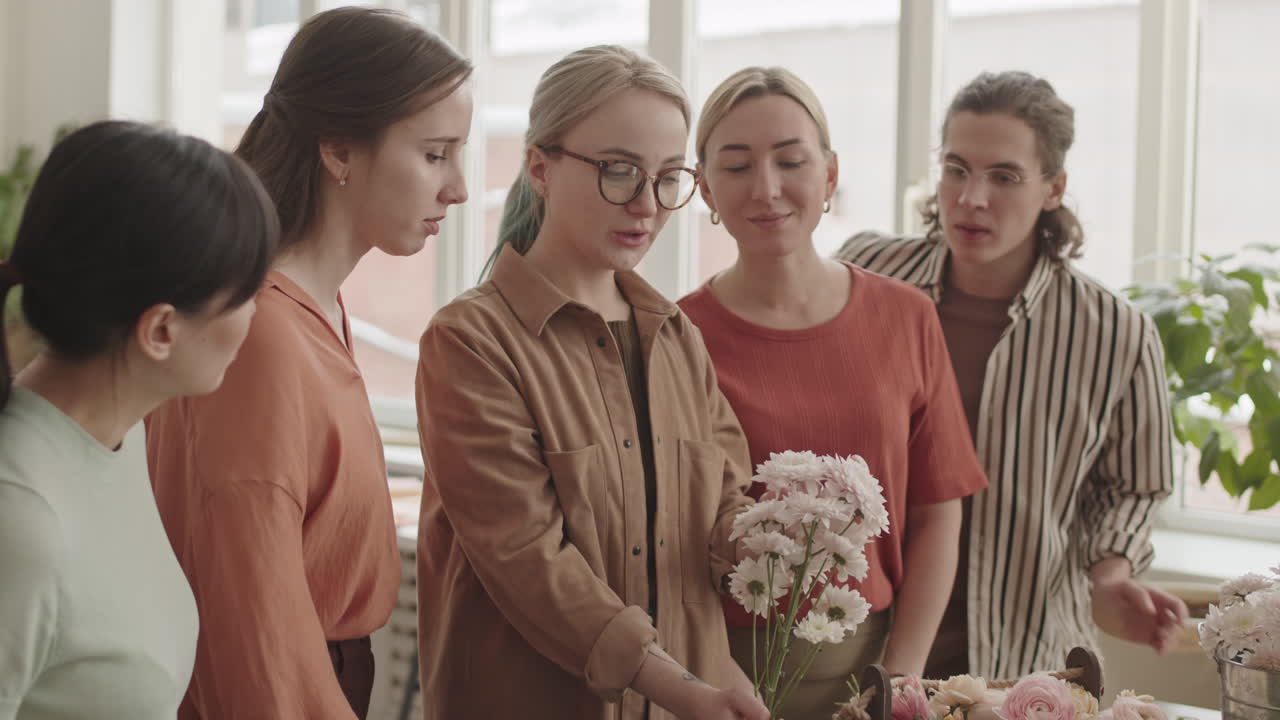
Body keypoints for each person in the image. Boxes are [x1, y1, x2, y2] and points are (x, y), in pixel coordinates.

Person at [414, 45, 769, 720]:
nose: (647, 205)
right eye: (618, 171)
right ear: (539, 167)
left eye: (669, 178)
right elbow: (529, 562)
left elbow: (724, 510)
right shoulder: (472, 342)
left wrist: (790, 540)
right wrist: (680, 687)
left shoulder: (676, 337)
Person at [144, 7, 472, 718]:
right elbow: (254, 628)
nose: (459, 188)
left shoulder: (313, 311)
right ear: (339, 151)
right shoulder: (261, 335)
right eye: (436, 153)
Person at [836, 70, 1188, 680]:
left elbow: (1134, 486)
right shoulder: (864, 275)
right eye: (956, 169)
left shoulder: (1117, 333)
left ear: (1054, 189)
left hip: (1026, 668)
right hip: (862, 652)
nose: (973, 198)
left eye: (1004, 177)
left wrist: (1112, 572)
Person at [678, 67, 988, 719]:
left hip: (872, 663)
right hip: (714, 671)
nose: (767, 189)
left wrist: (899, 683)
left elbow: (939, 511)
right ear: (704, 187)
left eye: (790, 160)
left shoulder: (906, 316)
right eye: (736, 167)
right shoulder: (674, 338)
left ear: (830, 172)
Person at [0, 120, 276, 719]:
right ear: (161, 330)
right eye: (248, 293)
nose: (258, 314)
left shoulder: (120, 442)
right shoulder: (22, 514)